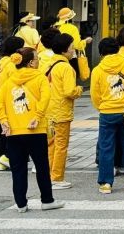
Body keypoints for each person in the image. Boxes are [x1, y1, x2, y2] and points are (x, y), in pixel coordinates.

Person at [0, 47, 64, 213]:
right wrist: (37, 116)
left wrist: (4, 120)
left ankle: (21, 204)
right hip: (35, 130)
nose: (38, 61)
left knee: (18, 169)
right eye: (37, 58)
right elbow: (45, 98)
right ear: (31, 62)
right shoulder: (40, 77)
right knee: (42, 167)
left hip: (14, 131)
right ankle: (47, 200)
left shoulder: (9, 81)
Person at [90, 37, 124, 194]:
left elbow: (95, 95)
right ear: (118, 49)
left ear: (101, 53)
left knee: (106, 148)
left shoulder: (98, 70)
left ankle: (106, 183)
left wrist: (101, 107)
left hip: (107, 112)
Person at [46, 33, 83, 190]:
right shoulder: (66, 67)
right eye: (71, 47)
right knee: (61, 146)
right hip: (61, 112)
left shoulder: (49, 64)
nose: (73, 50)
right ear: (64, 49)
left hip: (49, 111)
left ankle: (48, 175)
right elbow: (69, 91)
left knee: (51, 145)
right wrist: (79, 89)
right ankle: (57, 178)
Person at [0, 36, 25, 171]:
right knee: (10, 133)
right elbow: (15, 85)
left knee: (1, 133)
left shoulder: (1, 62)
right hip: (6, 104)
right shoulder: (11, 65)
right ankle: (7, 158)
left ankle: (1, 162)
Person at [54, 7, 93, 71]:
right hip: (71, 57)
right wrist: (85, 41)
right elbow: (77, 45)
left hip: (57, 58)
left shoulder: (56, 27)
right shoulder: (72, 28)